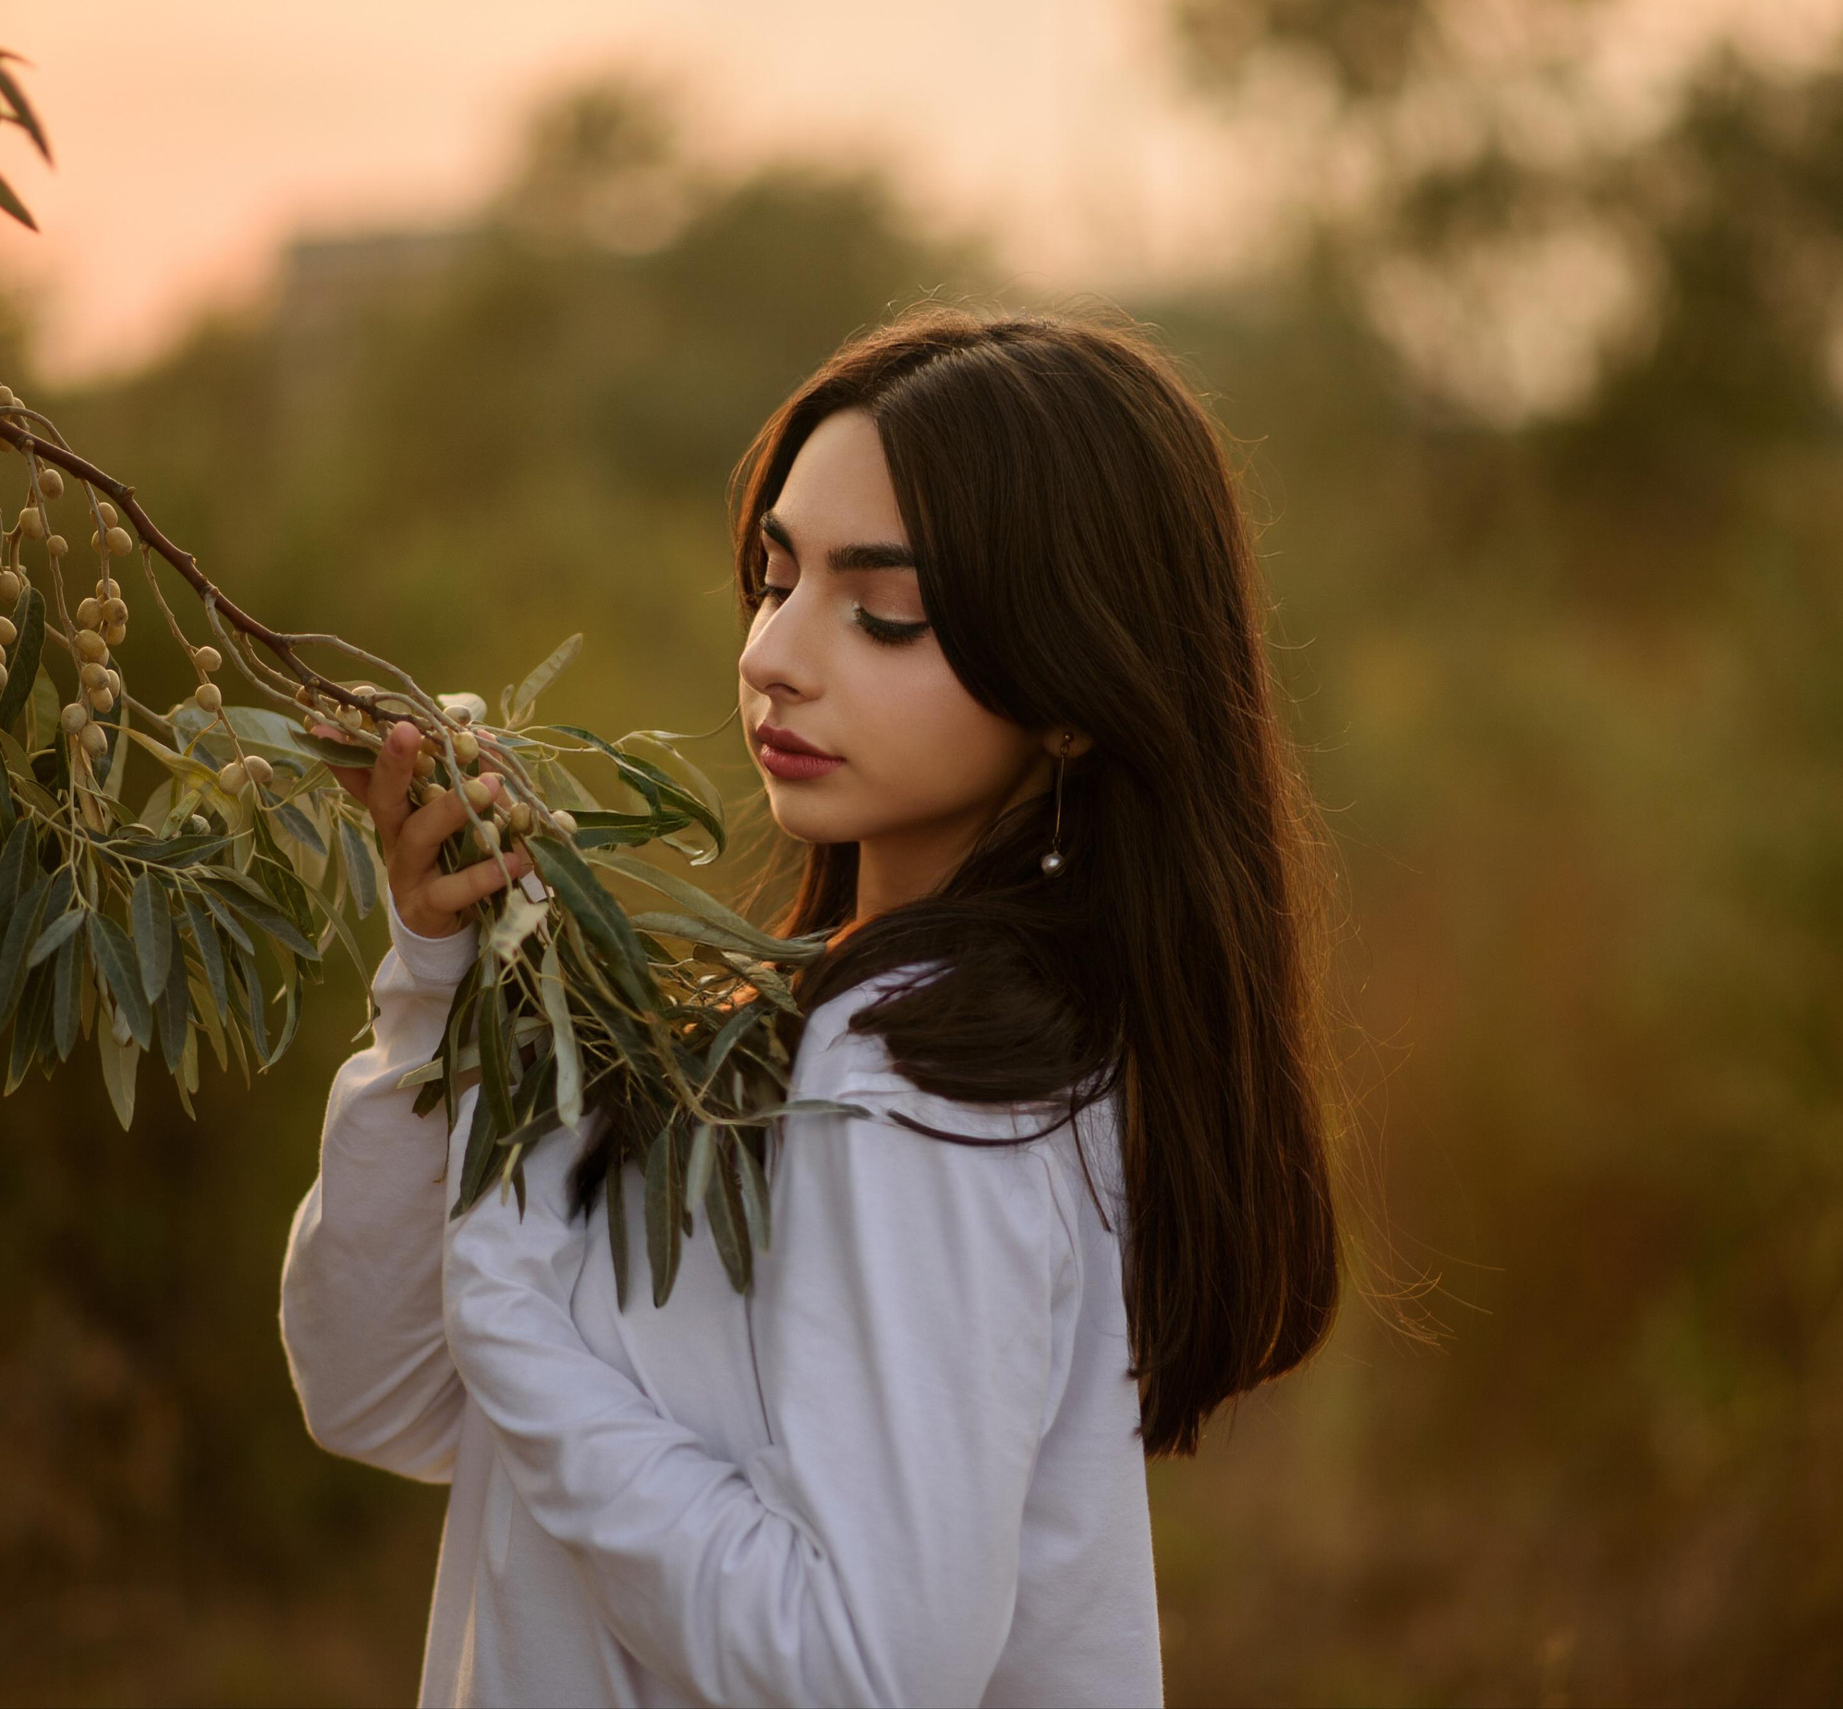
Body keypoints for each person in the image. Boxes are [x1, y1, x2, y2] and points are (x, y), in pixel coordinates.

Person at [280, 308, 1346, 1708]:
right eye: (774, 579)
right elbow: (379, 1396)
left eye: (880, 609)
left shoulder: (912, 1066)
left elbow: (861, 1664)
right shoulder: (809, 1030)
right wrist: (439, 985)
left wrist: (516, 1311)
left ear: (1076, 691)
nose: (777, 652)